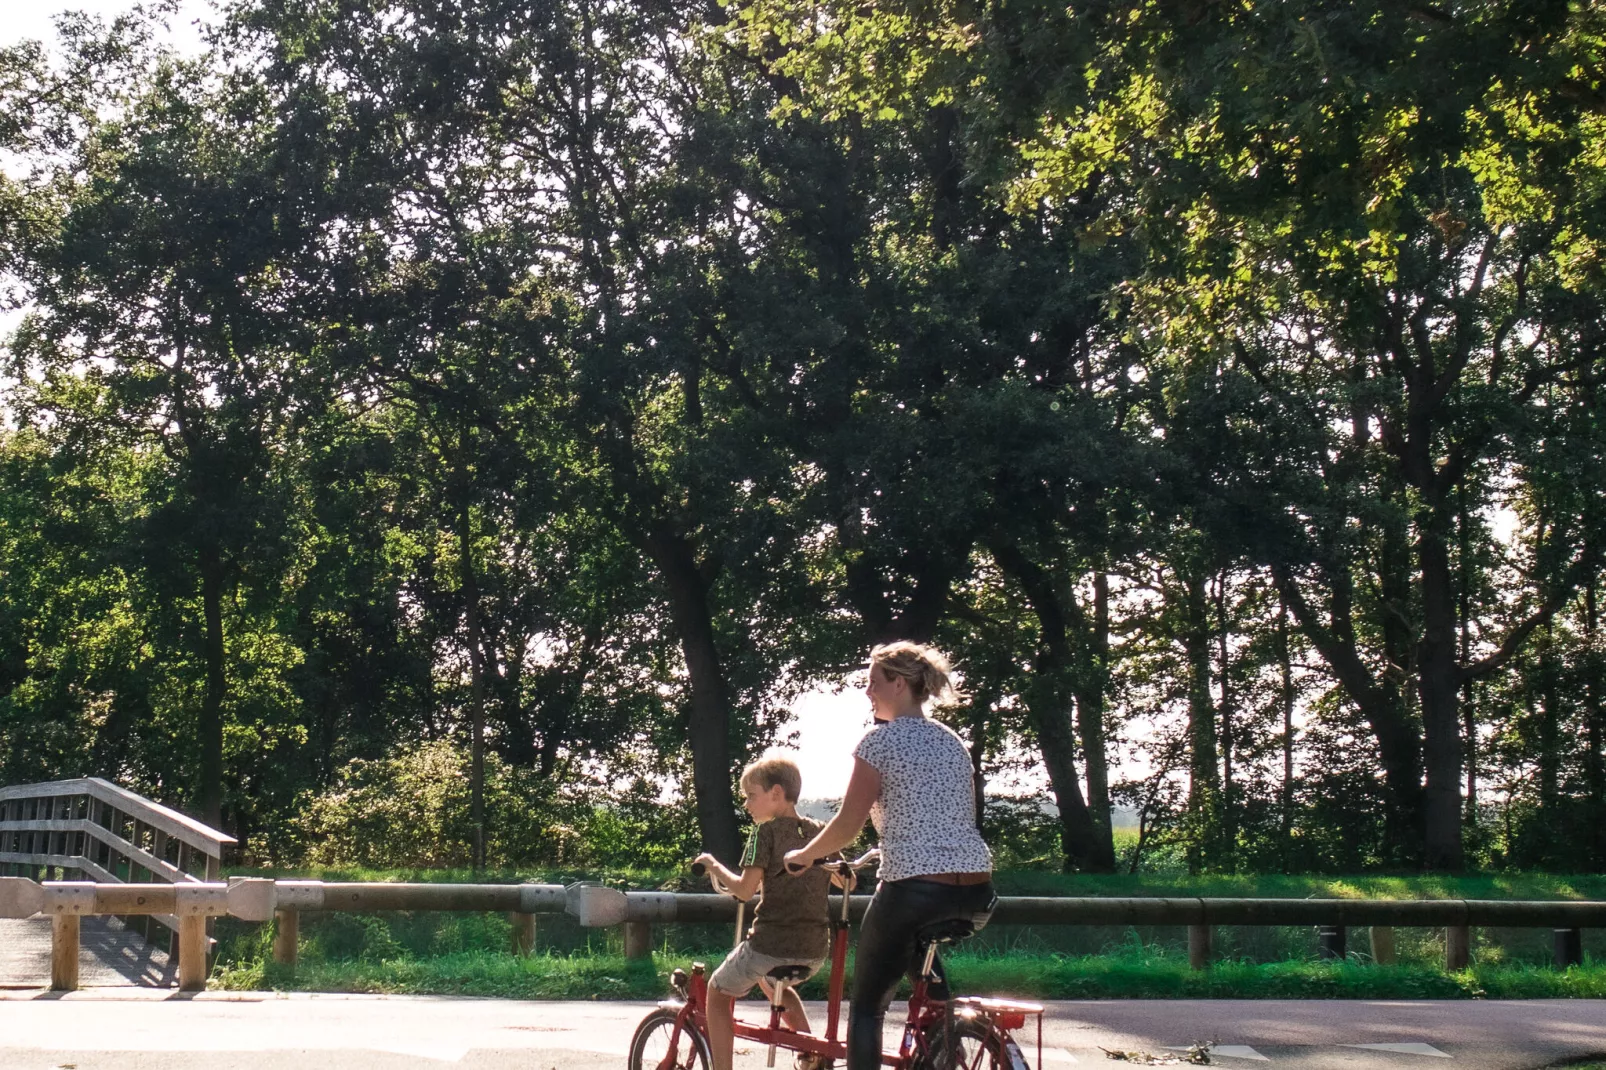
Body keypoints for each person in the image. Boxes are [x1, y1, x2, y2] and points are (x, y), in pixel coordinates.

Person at [782, 641, 994, 1070]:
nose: (867, 692)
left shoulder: (880, 741)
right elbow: (949, 819)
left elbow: (846, 825)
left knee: (867, 1008)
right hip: (977, 890)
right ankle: (945, 1047)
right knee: (924, 970)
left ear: (898, 684)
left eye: (873, 683)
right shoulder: (951, 742)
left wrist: (804, 854)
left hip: (915, 888)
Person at [693, 755, 841, 1070]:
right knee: (774, 984)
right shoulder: (820, 831)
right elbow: (845, 879)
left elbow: (745, 891)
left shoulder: (766, 833)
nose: (747, 804)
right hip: (814, 950)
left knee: (717, 993)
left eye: (751, 796)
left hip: (770, 945)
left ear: (775, 793)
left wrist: (712, 865)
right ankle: (811, 1059)